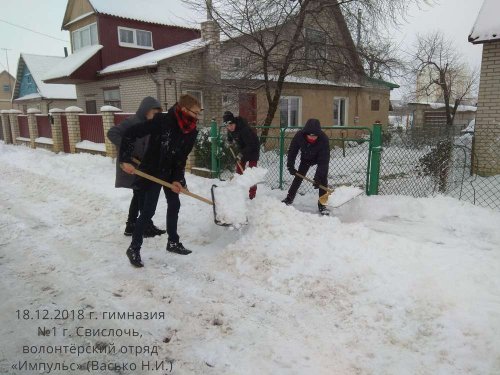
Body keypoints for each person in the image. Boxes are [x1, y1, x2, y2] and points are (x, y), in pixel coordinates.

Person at [119, 94, 201, 267]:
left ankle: (173, 242)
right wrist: (125, 158)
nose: (197, 117)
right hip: (153, 170)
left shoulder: (191, 131)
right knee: (148, 211)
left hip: (171, 173)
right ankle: (134, 248)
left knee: (174, 205)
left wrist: (178, 179)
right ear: (183, 109)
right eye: (195, 113)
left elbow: (181, 158)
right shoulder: (162, 121)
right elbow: (130, 133)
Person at [107, 96, 165, 237]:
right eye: (154, 112)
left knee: (138, 195)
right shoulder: (131, 122)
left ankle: (132, 225)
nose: (156, 116)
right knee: (142, 195)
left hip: (142, 165)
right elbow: (112, 133)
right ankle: (144, 225)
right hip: (131, 165)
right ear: (145, 110)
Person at [282, 118, 330, 215]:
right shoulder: (299, 136)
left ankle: (322, 204)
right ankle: (289, 198)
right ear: (305, 133)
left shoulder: (323, 139)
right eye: (310, 136)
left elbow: (324, 162)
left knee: (323, 180)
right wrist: (290, 165)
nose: (312, 138)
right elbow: (292, 151)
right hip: (306, 158)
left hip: (319, 158)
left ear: (318, 134)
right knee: (298, 176)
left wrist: (318, 177)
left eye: (315, 136)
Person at [223, 110, 260, 199]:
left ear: (235, 123)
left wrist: (240, 155)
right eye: (227, 126)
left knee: (251, 173)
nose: (230, 128)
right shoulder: (231, 128)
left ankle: (252, 195)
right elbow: (230, 135)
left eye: (231, 125)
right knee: (239, 171)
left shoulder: (244, 130)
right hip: (243, 148)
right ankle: (237, 192)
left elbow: (250, 145)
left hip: (253, 148)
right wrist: (229, 141)